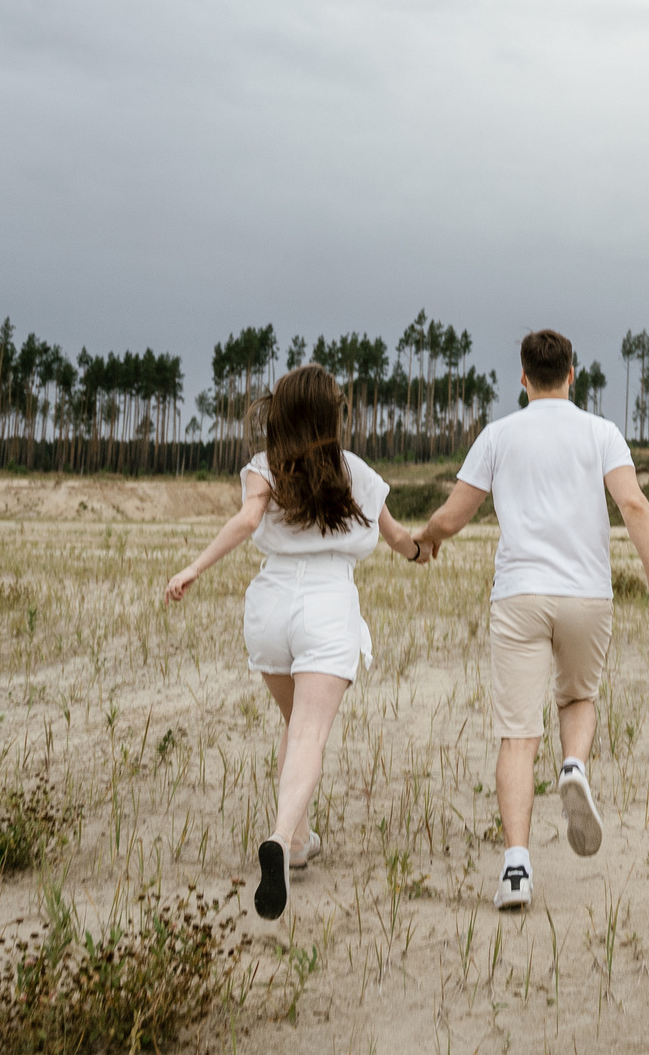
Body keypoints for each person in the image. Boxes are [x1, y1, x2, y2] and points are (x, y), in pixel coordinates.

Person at [417, 328, 649, 910]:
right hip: (586, 595)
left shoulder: (498, 435)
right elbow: (634, 504)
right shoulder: (601, 432)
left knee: (517, 735)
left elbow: (454, 516)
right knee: (577, 697)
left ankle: (516, 867)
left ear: (522, 377)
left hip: (519, 595)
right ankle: (574, 765)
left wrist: (427, 538)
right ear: (572, 375)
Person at [163, 363, 427, 921]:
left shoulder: (265, 467)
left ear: (280, 413)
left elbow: (246, 521)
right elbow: (399, 537)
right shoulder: (356, 471)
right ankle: (281, 838)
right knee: (308, 732)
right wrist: (421, 552)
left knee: (292, 722)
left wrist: (194, 568)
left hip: (271, 605)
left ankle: (301, 841)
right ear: (333, 416)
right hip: (326, 607)